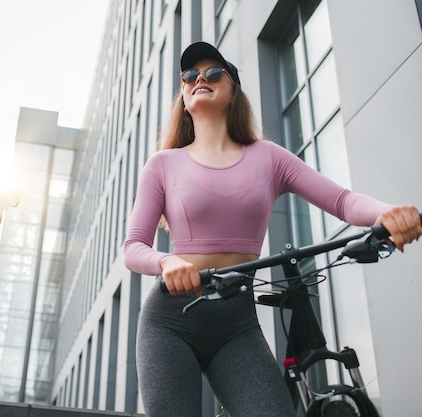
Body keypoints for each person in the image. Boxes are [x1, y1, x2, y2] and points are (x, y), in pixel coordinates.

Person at [123, 41, 422, 417]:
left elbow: (342, 201)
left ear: (233, 91)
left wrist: (388, 213)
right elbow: (134, 247)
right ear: (183, 98)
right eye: (190, 76)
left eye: (214, 73)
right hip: (170, 321)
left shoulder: (268, 158)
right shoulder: (162, 164)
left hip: (236, 323)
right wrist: (166, 262)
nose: (200, 78)